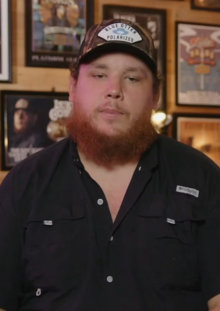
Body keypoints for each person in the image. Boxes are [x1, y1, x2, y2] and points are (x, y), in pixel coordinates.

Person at [0, 18, 220, 311]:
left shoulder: (202, 177)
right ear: (73, 86)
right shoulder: (24, 182)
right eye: (99, 75)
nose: (114, 90)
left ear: (155, 94)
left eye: (132, 78)